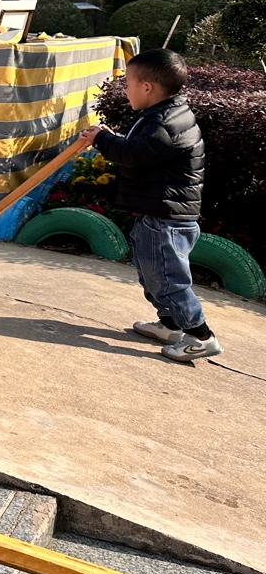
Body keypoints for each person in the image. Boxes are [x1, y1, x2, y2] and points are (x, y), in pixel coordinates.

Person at [80, 49, 218, 361]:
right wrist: (111, 137)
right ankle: (170, 325)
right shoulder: (164, 114)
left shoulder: (164, 123)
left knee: (168, 280)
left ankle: (201, 336)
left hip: (167, 218)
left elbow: (135, 154)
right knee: (152, 274)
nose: (125, 89)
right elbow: (140, 148)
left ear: (146, 87)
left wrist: (102, 139)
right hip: (158, 213)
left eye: (128, 82)